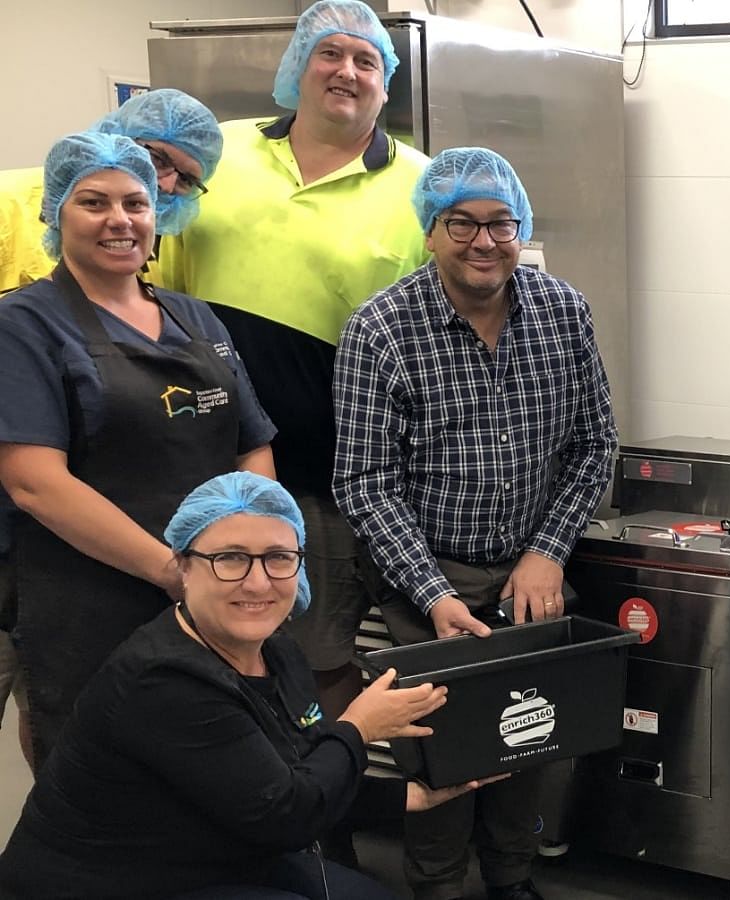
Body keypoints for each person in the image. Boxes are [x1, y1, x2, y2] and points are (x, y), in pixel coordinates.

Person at [333, 147, 617, 900]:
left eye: (500, 222)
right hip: (428, 575)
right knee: (445, 749)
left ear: (519, 228)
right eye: (461, 222)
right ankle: (439, 889)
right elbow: (364, 484)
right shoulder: (381, 330)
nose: (483, 240)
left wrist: (548, 554)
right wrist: (432, 594)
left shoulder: (563, 311)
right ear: (430, 231)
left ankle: (514, 881)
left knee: (529, 732)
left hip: (529, 568)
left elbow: (595, 446)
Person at [0, 472, 497, 899]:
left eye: (278, 558)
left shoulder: (277, 650)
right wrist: (357, 727)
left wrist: (410, 796)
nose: (259, 583)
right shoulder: (164, 679)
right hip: (112, 882)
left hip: (214, 843)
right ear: (184, 568)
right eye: (231, 558)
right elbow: (287, 814)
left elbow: (295, 774)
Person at [157, 0, 432, 722]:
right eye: (330, 54)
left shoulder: (421, 186)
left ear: (386, 80)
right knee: (205, 652)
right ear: (297, 67)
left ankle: (323, 815)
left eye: (366, 60)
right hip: (201, 466)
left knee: (315, 657)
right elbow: (158, 287)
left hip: (333, 478)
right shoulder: (220, 152)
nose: (346, 71)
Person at [0, 131, 275, 766]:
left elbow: (252, 445)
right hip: (90, 597)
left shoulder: (196, 318)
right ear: (55, 213)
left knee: (211, 765)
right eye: (94, 203)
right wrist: (174, 572)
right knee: (102, 780)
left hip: (213, 590)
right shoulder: (23, 326)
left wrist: (260, 556)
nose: (120, 220)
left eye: (136, 203)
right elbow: (35, 483)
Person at [0, 87, 222, 294]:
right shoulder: (7, 205)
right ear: (120, 134)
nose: (165, 185)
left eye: (186, 179)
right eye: (159, 158)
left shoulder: (141, 244)